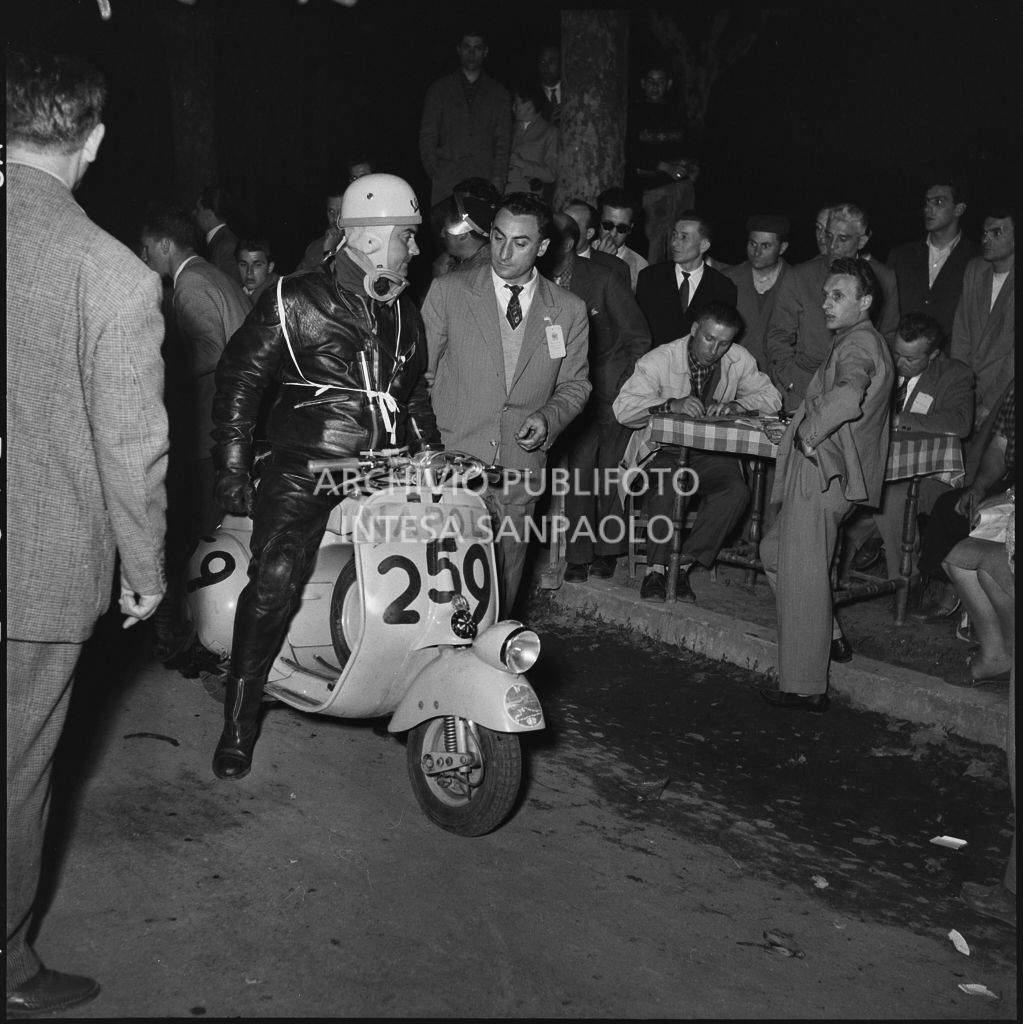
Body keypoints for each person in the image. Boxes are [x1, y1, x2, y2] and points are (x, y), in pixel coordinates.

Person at [6, 48, 169, 1017]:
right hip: (40, 570)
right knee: (16, 769)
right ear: (93, 142)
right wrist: (144, 572)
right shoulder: (113, 276)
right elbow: (134, 448)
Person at [209, 173, 440, 781]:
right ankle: (239, 715)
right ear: (367, 240)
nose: (417, 250)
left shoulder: (403, 313)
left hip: (385, 467)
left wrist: (435, 457)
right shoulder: (293, 301)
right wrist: (233, 463)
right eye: (408, 238)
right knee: (278, 570)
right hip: (310, 464)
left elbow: (412, 398)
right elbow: (239, 378)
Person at [423, 192, 591, 613]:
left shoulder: (568, 310)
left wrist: (548, 417)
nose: (503, 251)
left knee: (504, 587)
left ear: (543, 248)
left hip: (521, 466)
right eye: (498, 237)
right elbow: (419, 379)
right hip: (454, 464)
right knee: (446, 589)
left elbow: (576, 385)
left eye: (520, 242)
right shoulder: (448, 292)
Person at [759, 257, 895, 712]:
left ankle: (803, 686)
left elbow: (846, 397)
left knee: (802, 570)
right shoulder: (859, 339)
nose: (825, 304)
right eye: (825, 295)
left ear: (866, 302)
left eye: (838, 296)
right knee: (774, 555)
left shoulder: (858, 345)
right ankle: (830, 634)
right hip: (825, 472)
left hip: (822, 474)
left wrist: (806, 434)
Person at [613, 302, 781, 603]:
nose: (715, 349)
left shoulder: (738, 358)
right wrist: (670, 404)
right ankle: (655, 570)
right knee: (668, 486)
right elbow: (622, 409)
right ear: (694, 330)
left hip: (712, 453)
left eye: (724, 343)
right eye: (709, 339)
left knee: (736, 492)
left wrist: (738, 406)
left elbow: (773, 398)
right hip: (663, 450)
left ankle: (682, 564)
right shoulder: (659, 359)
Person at [544, 212, 652, 582]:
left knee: (609, 471)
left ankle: (608, 550)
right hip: (567, 392)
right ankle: (578, 554)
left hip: (610, 390)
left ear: (570, 243)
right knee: (579, 473)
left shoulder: (604, 279)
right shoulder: (538, 281)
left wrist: (624, 385)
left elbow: (639, 337)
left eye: (551, 239)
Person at [842, 313, 974, 581]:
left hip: (931, 475)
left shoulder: (954, 375)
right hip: (879, 463)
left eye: (910, 359)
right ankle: (832, 576)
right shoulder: (882, 363)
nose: (899, 363)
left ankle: (904, 582)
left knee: (890, 496)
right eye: (897, 353)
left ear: (934, 355)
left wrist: (901, 420)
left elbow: (960, 423)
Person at [765, 202, 899, 413]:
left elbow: (889, 337)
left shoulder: (883, 277)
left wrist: (875, 388)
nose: (832, 245)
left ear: (862, 240)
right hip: (803, 391)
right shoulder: (800, 276)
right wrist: (792, 382)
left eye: (843, 239)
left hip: (860, 393)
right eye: (828, 236)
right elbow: (778, 336)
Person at [912, 380, 1014, 622]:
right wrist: (979, 487)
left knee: (988, 521)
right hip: (1011, 479)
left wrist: (1008, 497)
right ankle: (954, 591)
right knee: (951, 506)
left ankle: (996, 621)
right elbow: (999, 447)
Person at [419, 27, 512, 207]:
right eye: (467, 47)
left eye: (477, 48)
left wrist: (498, 182)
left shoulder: (499, 93)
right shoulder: (439, 89)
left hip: (484, 184)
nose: (471, 53)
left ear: (485, 52)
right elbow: (427, 136)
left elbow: (503, 143)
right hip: (447, 184)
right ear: (459, 50)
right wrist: (436, 172)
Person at [886, 180, 980, 342]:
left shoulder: (977, 259)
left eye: (939, 202)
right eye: (926, 203)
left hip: (952, 359)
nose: (928, 209)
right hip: (903, 357)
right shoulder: (901, 256)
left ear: (959, 209)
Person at [950, 206, 1014, 426]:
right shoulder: (976, 269)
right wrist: (959, 389)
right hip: (967, 391)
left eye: (996, 233)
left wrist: (989, 403)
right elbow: (961, 332)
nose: (986, 239)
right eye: (985, 232)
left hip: (1006, 396)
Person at [635, 210, 738, 348]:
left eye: (684, 237)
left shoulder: (723, 287)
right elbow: (637, 331)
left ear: (704, 245)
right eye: (674, 235)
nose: (674, 243)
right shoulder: (649, 277)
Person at [626, 65, 693, 265]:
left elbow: (691, 145)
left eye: (661, 81)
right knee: (656, 241)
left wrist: (691, 168)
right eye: (651, 81)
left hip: (681, 187)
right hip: (653, 190)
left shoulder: (679, 113)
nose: (655, 86)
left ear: (669, 84)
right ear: (643, 84)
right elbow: (632, 152)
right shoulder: (635, 113)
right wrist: (664, 166)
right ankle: (652, 286)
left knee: (683, 238)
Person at [723, 214, 792, 371]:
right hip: (733, 372)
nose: (757, 251)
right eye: (752, 244)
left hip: (777, 376)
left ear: (782, 248)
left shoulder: (796, 281)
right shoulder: (728, 278)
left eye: (766, 246)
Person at [562, 197, 631, 287]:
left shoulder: (618, 268)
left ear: (589, 233)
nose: (563, 230)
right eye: (561, 222)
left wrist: (601, 263)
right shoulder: (545, 258)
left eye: (572, 225)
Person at [505, 83, 558, 198]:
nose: (513, 107)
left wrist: (522, 164)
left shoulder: (550, 132)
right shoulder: (509, 129)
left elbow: (551, 174)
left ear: (529, 107)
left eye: (517, 104)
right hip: (503, 193)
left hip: (528, 197)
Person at [592, 187, 649, 291]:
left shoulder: (641, 267)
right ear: (598, 221)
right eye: (607, 225)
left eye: (622, 228)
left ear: (630, 228)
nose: (613, 234)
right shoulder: (580, 251)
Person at [431, 190, 495, 278]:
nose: (442, 234)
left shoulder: (480, 273)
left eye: (446, 229)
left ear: (463, 235)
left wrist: (442, 280)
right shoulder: (467, 262)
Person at [192, 184, 239, 280]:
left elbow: (232, 288)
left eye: (198, 209)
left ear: (209, 214)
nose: (194, 213)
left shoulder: (227, 245)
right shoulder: (216, 241)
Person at [236, 235, 280, 305]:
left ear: (270, 267)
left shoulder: (274, 299)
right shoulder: (237, 289)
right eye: (243, 265)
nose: (249, 272)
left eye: (257, 265)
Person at [536, 44, 562, 126]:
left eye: (551, 62)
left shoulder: (572, 91)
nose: (545, 67)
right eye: (542, 62)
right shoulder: (532, 96)